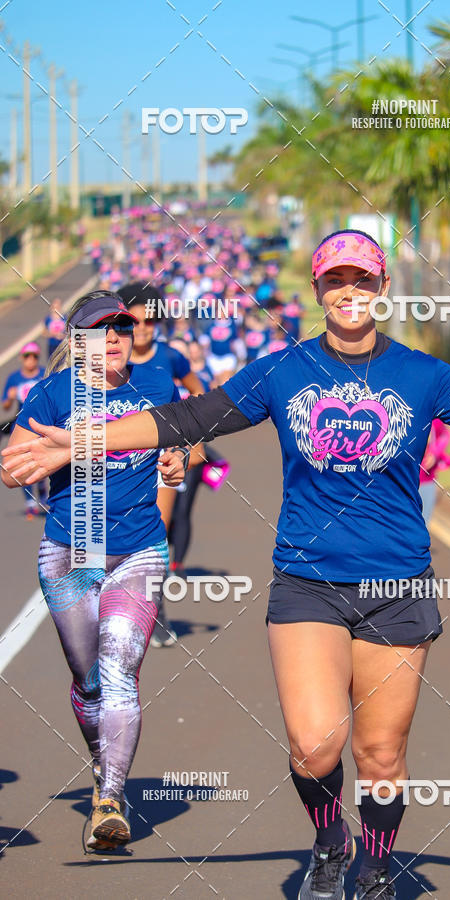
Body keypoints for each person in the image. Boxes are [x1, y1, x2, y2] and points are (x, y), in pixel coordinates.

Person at [5, 231, 450, 897]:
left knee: (381, 754)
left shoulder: (422, 374)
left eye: (364, 280)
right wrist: (78, 439)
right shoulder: (282, 371)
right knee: (315, 748)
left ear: (382, 289)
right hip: (306, 584)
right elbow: (186, 418)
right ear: (317, 290)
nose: (351, 292)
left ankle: (374, 865)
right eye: (336, 280)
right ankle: (328, 841)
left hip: (396, 586)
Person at [1, 291, 186, 852]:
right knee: (89, 684)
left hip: (140, 548)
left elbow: (182, 444)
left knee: (120, 674)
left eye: (121, 329)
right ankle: (102, 754)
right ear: (75, 342)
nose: (113, 339)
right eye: (98, 332)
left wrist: (178, 459)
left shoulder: (156, 386)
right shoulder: (54, 393)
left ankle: (109, 800)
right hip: (70, 552)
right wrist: (49, 453)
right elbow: (11, 472)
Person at [118, 281, 204, 647]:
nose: (142, 329)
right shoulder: (109, 356)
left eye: (150, 322)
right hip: (115, 462)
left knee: (155, 534)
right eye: (134, 322)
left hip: (159, 460)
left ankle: (156, 610)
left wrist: (194, 442)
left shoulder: (170, 357)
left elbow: (200, 395)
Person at [2, 342, 47, 518]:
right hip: (22, 426)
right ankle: (30, 503)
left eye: (34, 356)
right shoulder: (14, 378)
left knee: (40, 463)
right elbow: (6, 406)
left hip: (41, 425)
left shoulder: (44, 374)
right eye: (27, 356)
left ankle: (42, 494)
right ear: (22, 358)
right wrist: (10, 398)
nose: (31, 360)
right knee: (23, 465)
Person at [418, 418, 450, 525]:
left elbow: (445, 435)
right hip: (400, 481)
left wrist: (434, 454)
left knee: (423, 523)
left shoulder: (432, 418)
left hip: (426, 480)